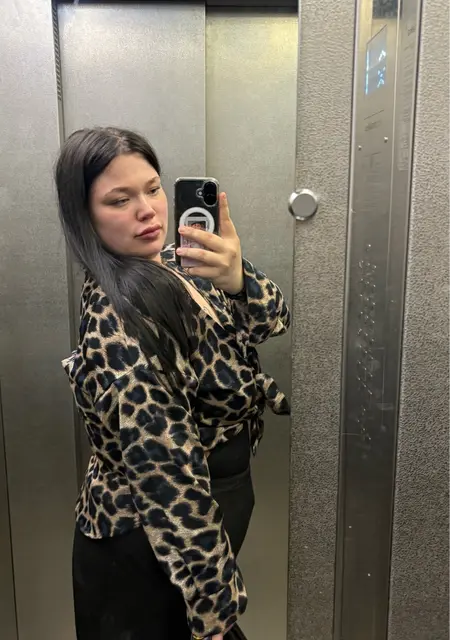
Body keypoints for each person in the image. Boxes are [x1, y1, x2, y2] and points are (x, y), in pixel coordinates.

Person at [55, 127, 290, 640]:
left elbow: (272, 321)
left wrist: (237, 279)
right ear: (84, 215)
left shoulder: (173, 263)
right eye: (120, 200)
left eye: (153, 188)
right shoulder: (122, 316)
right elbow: (167, 477)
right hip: (151, 548)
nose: (148, 210)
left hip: (193, 532)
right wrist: (214, 608)